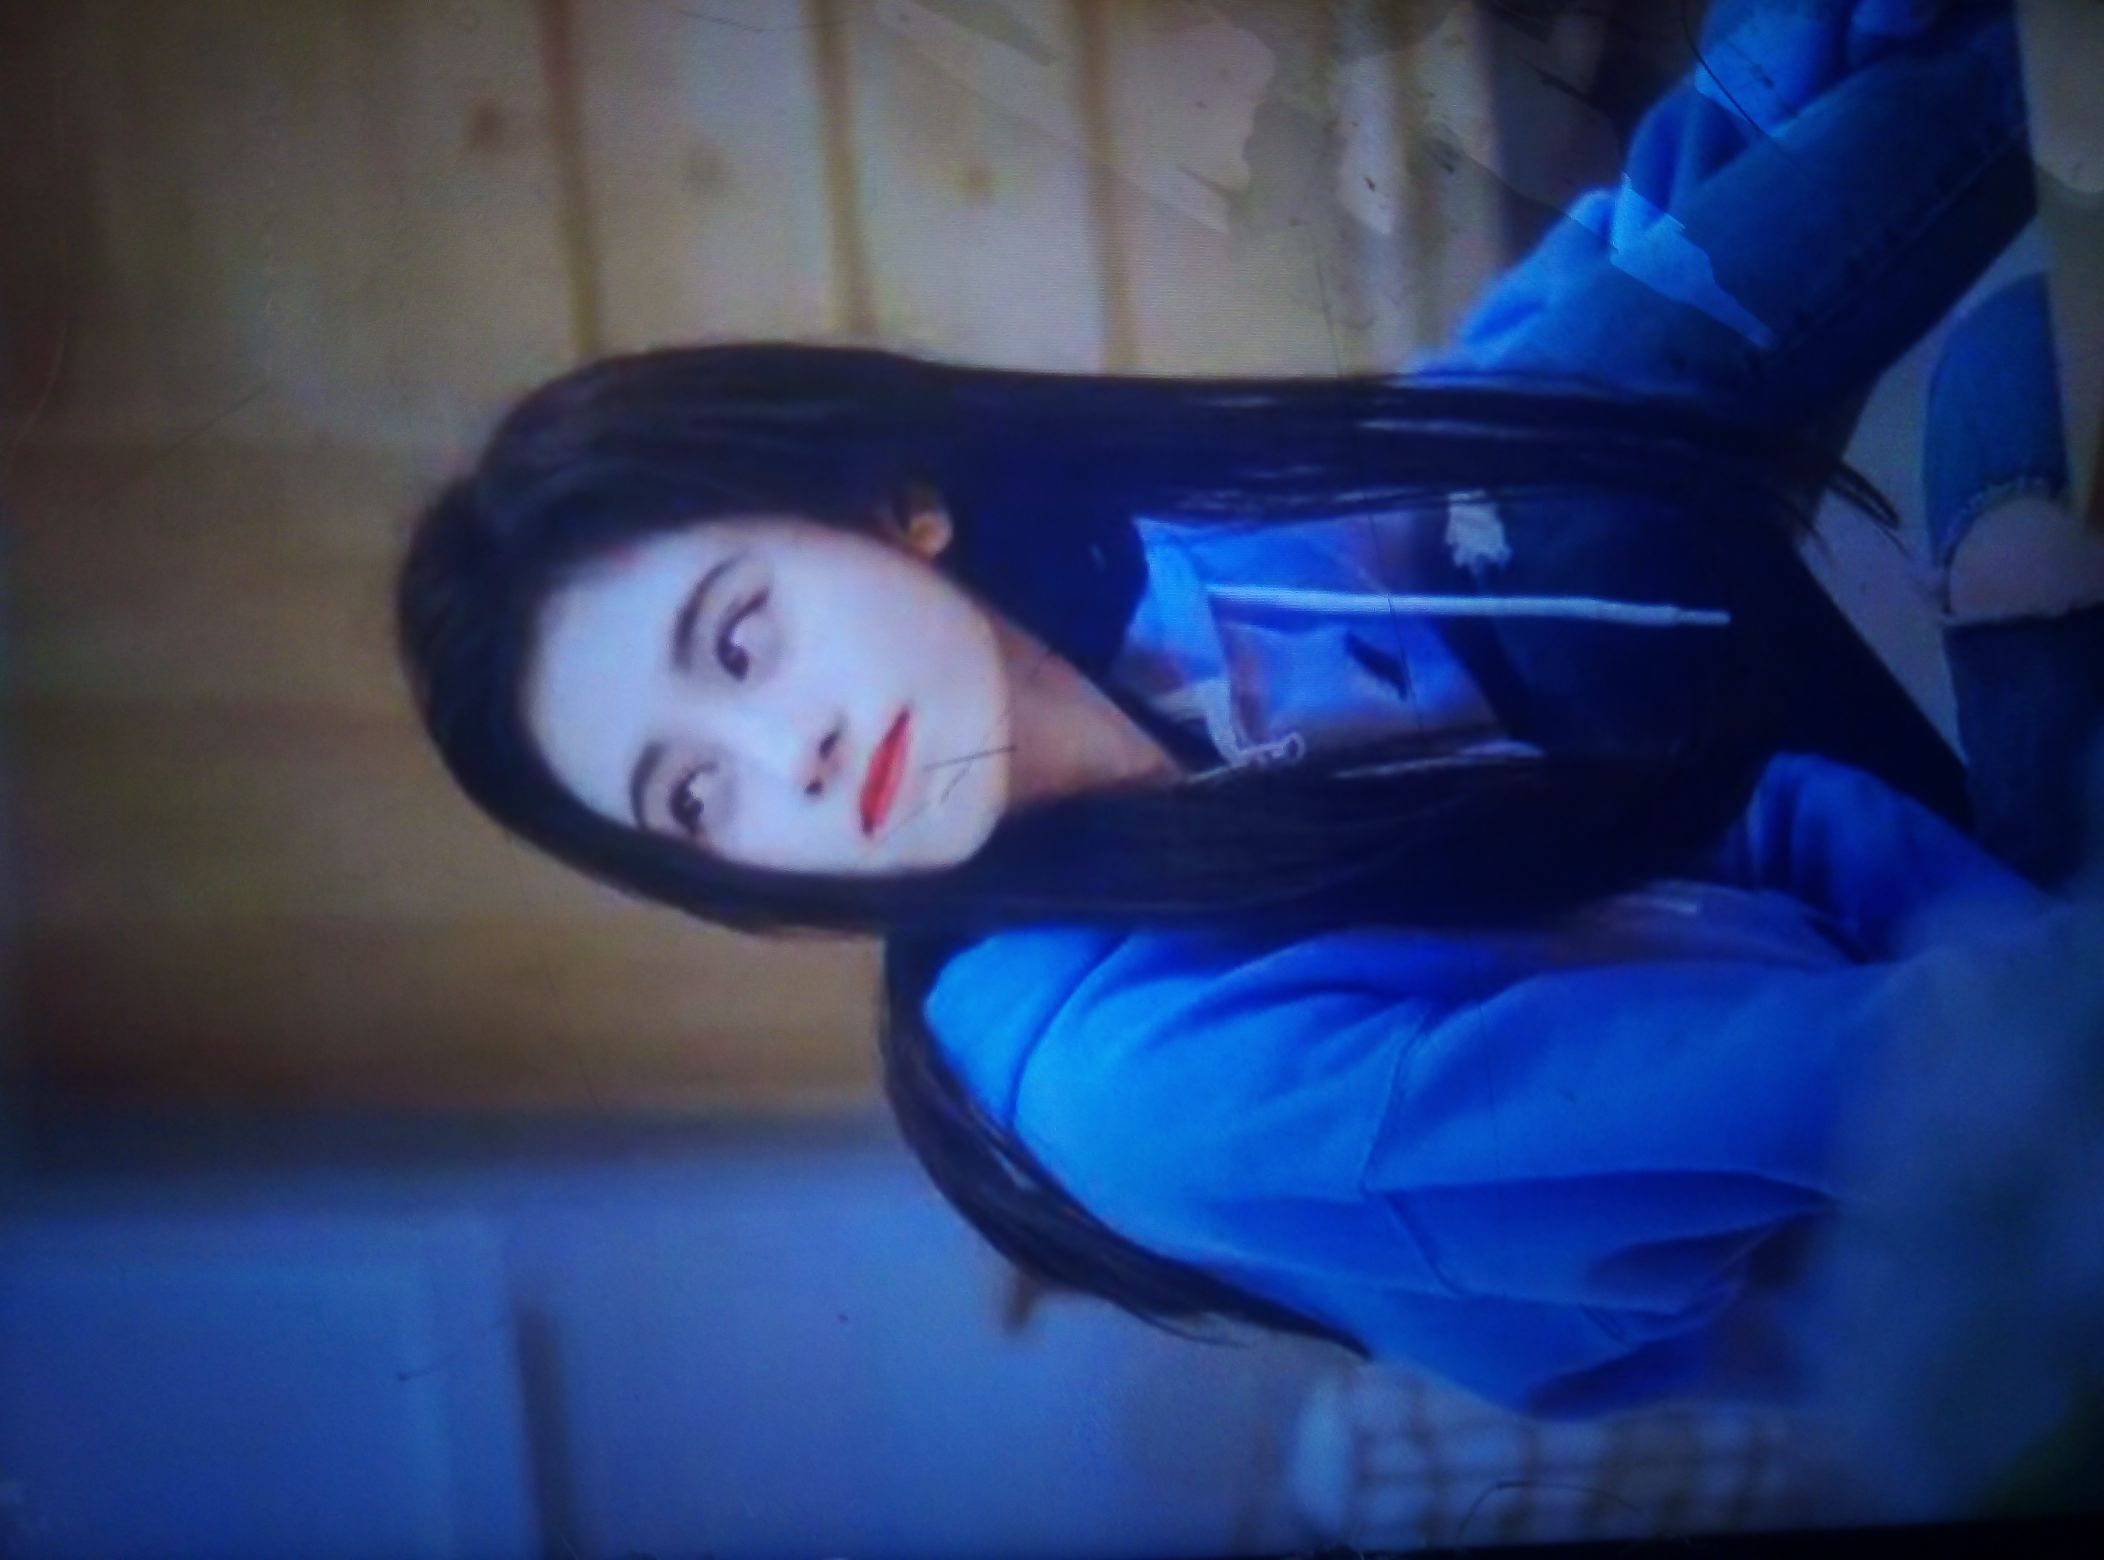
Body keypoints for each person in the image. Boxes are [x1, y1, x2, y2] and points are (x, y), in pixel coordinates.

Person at [396, 0, 2103, 1416]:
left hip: (1849, 892)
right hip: (1991, 1190)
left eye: (740, 644)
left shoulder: (1147, 599)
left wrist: (1799, 57)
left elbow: (1522, 388)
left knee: (1773, 349)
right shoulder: (1132, 1089)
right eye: (694, 797)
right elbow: (1847, 1081)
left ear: (888, 504)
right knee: (1988, 404)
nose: (792, 759)